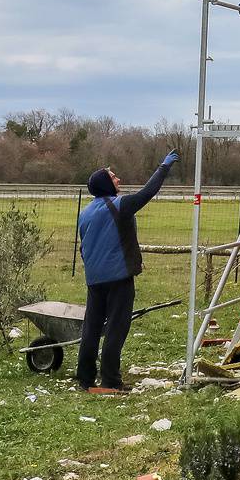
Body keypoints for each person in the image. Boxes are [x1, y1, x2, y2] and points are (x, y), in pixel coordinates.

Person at [75, 150, 177, 392]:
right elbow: (147, 193)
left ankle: (85, 379)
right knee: (116, 329)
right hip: (118, 278)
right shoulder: (119, 205)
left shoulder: (86, 212)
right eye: (113, 177)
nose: (118, 179)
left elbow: (83, 245)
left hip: (94, 279)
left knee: (91, 328)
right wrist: (163, 167)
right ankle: (111, 381)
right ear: (105, 184)